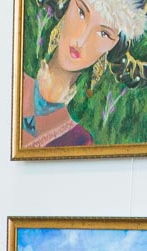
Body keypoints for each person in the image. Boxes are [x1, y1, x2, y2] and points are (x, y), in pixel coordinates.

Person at [19, 0, 147, 149]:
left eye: (104, 33)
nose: (82, 39)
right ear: (66, 4)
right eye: (81, 12)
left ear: (114, 45)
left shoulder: (80, 140)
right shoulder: (15, 80)